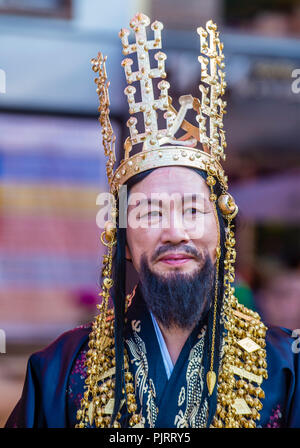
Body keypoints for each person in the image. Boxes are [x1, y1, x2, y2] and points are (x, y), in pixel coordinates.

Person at [5, 13, 299, 429]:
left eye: (194, 210)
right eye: (150, 212)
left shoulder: (289, 371)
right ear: (122, 238)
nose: (175, 231)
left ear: (223, 229)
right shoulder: (58, 371)